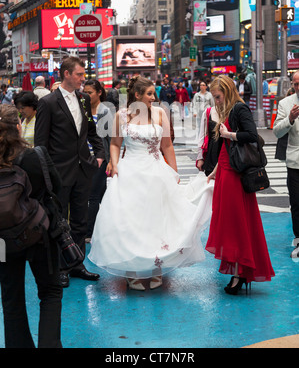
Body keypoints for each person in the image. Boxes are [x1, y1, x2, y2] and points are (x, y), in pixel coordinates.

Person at [89, 76, 214, 291]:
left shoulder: (159, 113)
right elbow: (115, 144)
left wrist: (173, 172)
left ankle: (157, 267)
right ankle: (132, 270)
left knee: (158, 220)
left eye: (153, 94)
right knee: (131, 222)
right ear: (136, 95)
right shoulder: (122, 116)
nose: (153, 97)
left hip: (156, 173)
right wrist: (115, 164)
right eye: (148, 94)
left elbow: (167, 146)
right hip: (130, 174)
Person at [34, 57, 106, 288]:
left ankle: (77, 264)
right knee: (58, 221)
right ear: (66, 74)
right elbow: (40, 142)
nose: (83, 79)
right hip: (59, 171)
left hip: (83, 168)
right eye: (79, 75)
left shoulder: (84, 99)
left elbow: (91, 132)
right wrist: (46, 173)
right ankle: (61, 267)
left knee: (80, 220)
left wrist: (100, 155)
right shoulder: (48, 103)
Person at [205, 75, 275, 295]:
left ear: (226, 91)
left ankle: (240, 272)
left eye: (217, 96)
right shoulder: (228, 109)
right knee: (232, 222)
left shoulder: (239, 109)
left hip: (235, 175)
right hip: (226, 171)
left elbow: (252, 135)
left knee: (237, 223)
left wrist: (230, 134)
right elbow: (226, 148)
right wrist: (216, 170)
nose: (216, 101)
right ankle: (239, 271)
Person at [0, 104, 63, 348]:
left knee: (11, 298)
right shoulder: (34, 156)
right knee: (50, 293)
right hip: (39, 233)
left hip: (3, 240)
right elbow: (55, 188)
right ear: (18, 127)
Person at [273, 70, 299, 258]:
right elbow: (276, 132)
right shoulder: (285, 103)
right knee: (296, 203)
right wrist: (290, 119)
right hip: (295, 162)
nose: (298, 87)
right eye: (296, 84)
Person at [83, 80, 113, 241]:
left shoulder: (105, 111)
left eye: (90, 93)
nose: (87, 96)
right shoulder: (84, 110)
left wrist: (110, 160)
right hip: (84, 158)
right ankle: (114, 224)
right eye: (85, 92)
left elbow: (110, 139)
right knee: (102, 195)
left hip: (100, 159)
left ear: (99, 93)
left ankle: (89, 233)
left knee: (92, 195)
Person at [196, 105, 222, 177]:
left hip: (227, 154)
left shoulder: (233, 111)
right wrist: (200, 158)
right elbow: (202, 136)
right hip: (212, 155)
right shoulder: (208, 112)